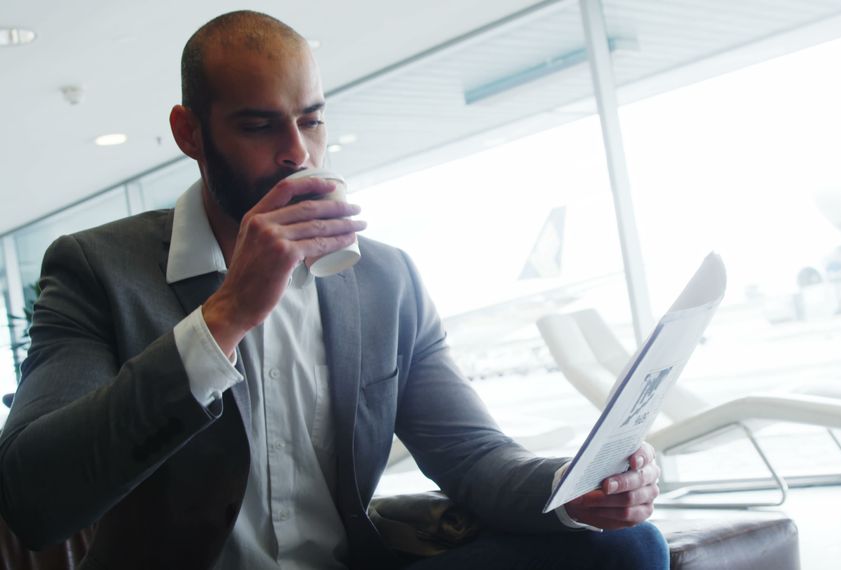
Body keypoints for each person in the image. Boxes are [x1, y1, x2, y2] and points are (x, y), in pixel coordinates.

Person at [0, 10, 668, 569]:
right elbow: (34, 497)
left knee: (630, 545)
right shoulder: (96, 269)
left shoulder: (384, 279)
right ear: (190, 133)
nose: (297, 153)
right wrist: (224, 316)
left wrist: (574, 491)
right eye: (259, 126)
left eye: (311, 121)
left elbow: (473, 458)